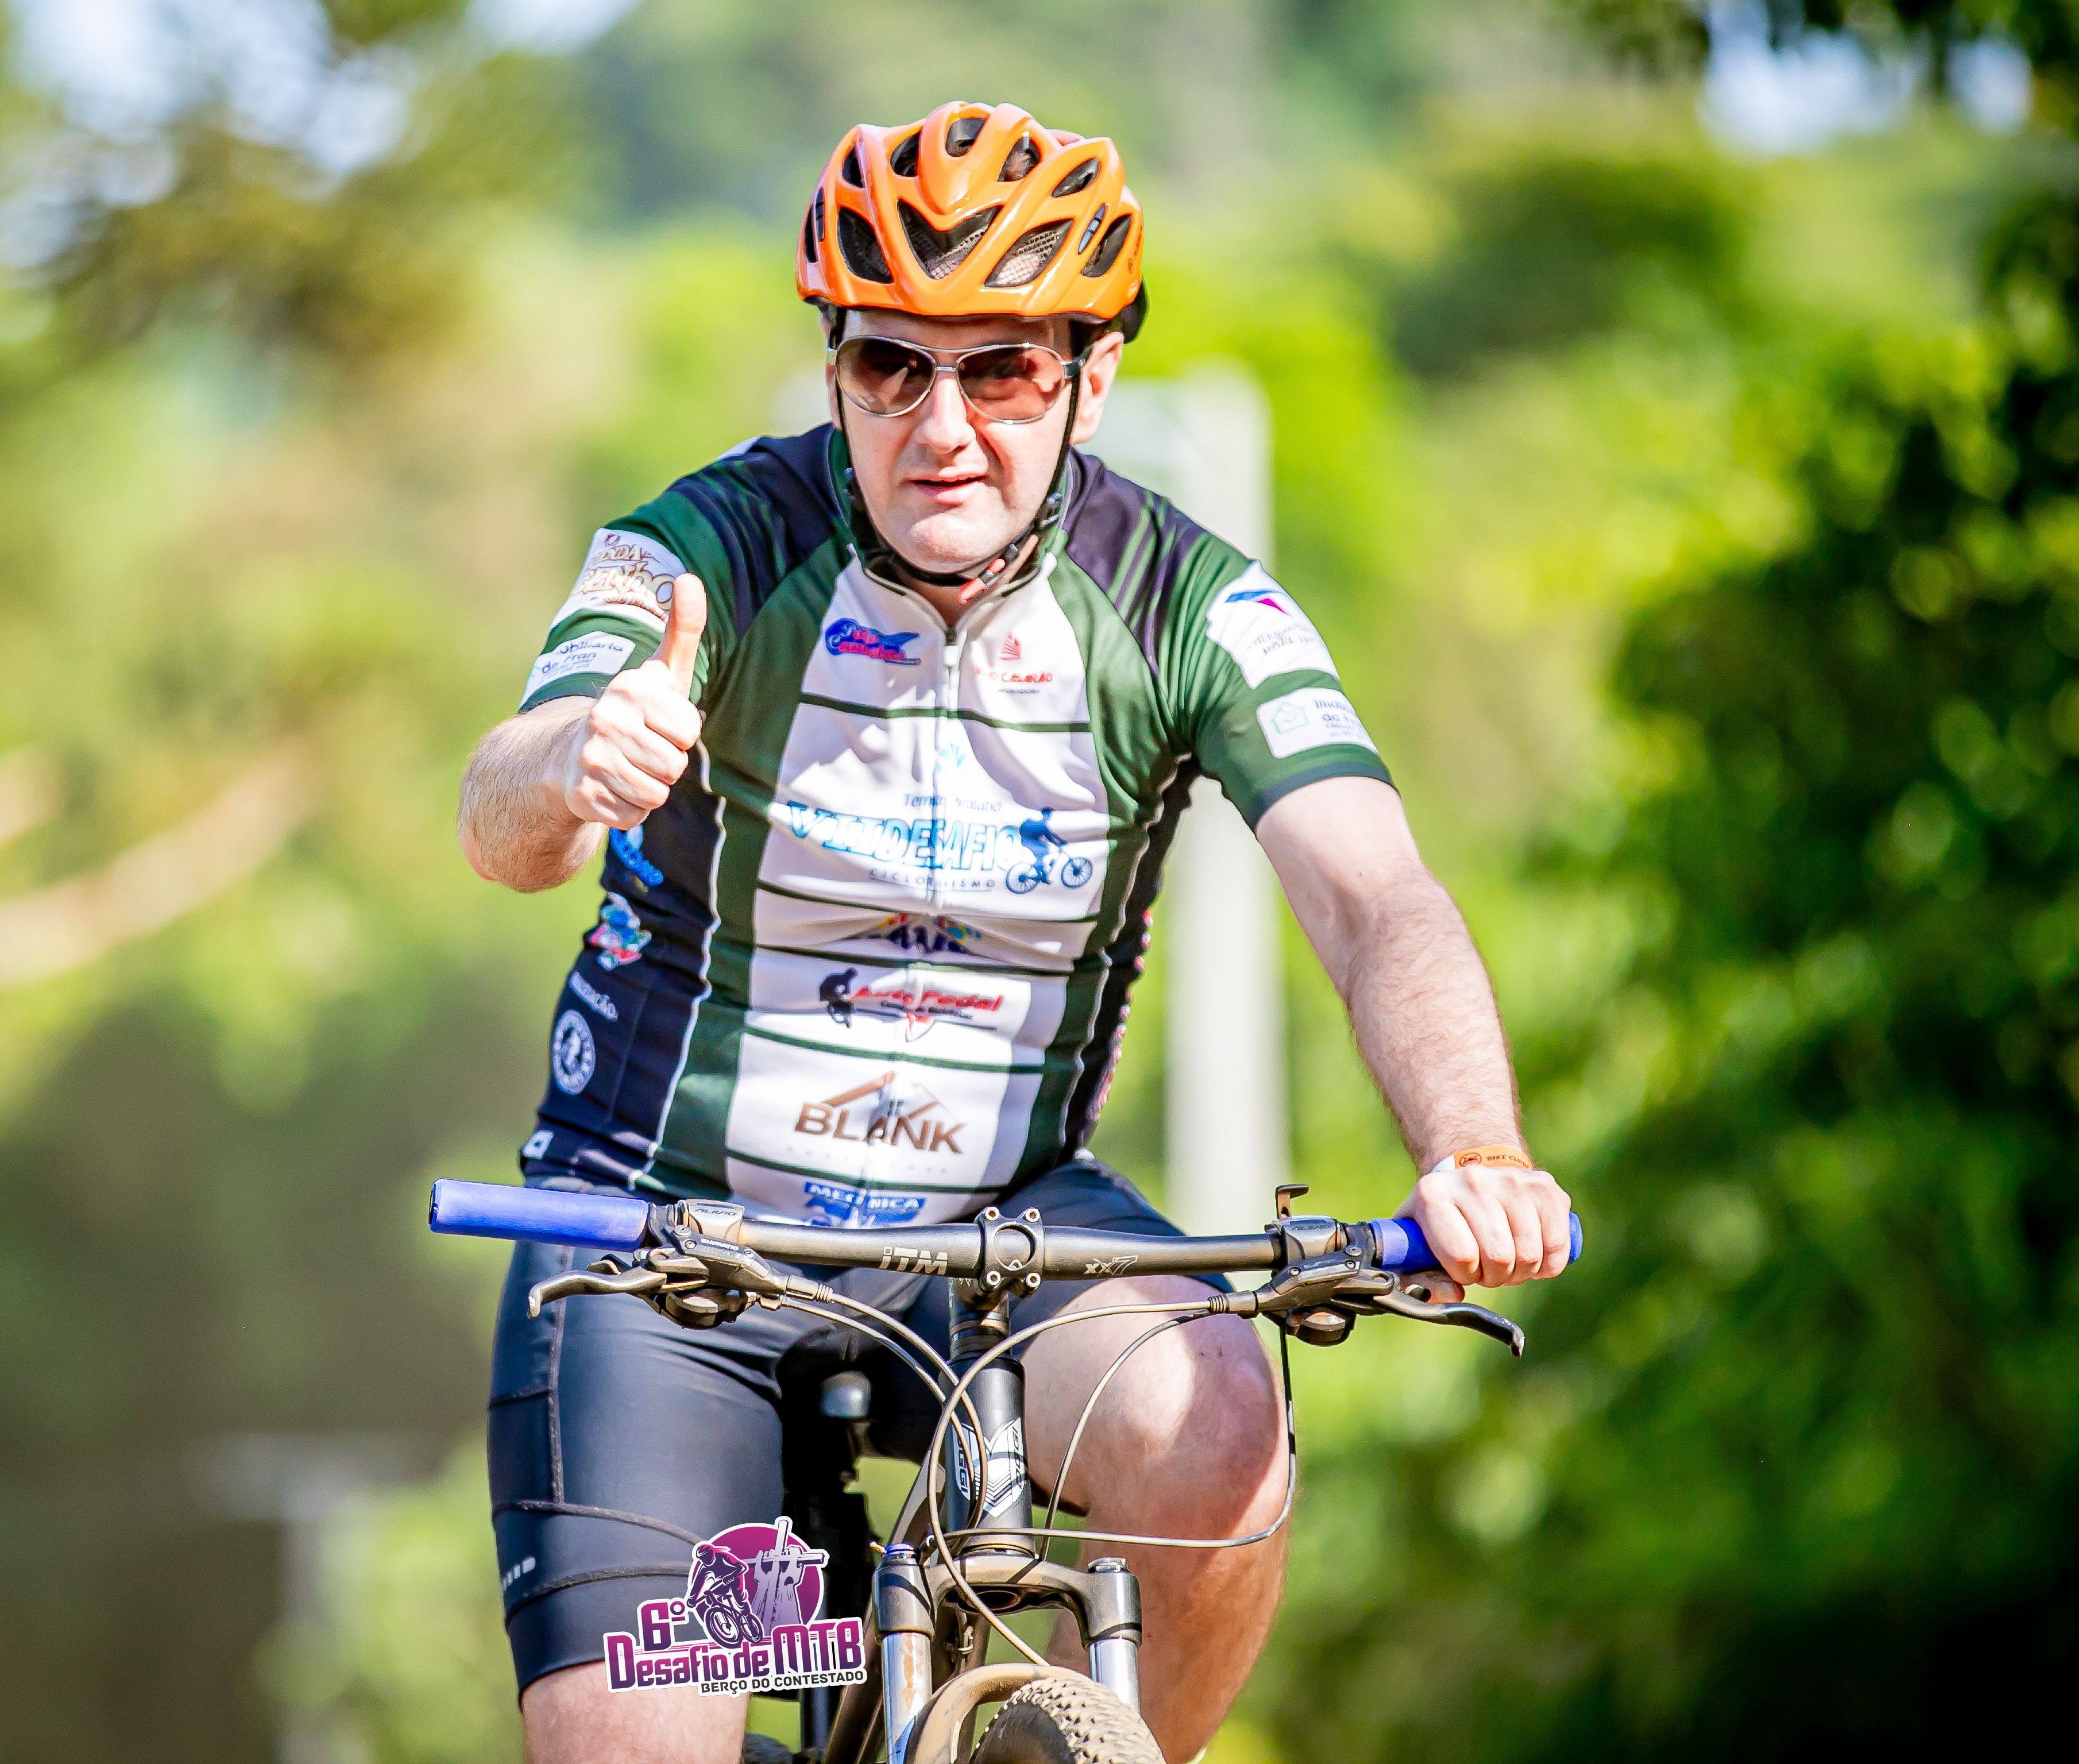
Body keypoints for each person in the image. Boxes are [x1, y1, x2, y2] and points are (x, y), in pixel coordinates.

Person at [455, 101, 1572, 1763]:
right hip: (662, 1237)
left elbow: (1376, 897)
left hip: (998, 1232)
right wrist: (573, 764)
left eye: (1003, 373)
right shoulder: (702, 552)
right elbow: (501, 814)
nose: (944, 428)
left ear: (1091, 381)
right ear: (836, 371)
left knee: (1223, 1430)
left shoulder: (1191, 604)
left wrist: (1471, 1144)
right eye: (891, 368)